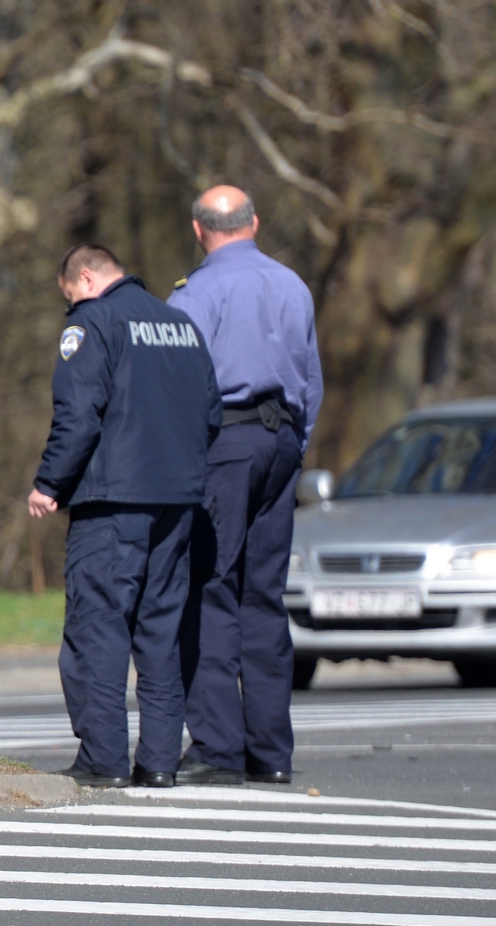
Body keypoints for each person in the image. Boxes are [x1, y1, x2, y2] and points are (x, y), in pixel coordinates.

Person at [29, 244, 222, 788]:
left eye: (69, 296)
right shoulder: (179, 324)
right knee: (160, 631)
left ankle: (104, 758)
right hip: (178, 501)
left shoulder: (93, 323)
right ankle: (160, 760)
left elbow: (78, 414)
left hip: (111, 502)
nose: (71, 305)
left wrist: (50, 483)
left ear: (85, 278)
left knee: (99, 628)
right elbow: (211, 414)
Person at [169, 185, 323, 785]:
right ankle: (270, 751)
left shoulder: (195, 294)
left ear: (198, 230)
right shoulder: (293, 285)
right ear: (254, 223)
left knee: (210, 589)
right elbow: (310, 378)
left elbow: (179, 386)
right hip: (281, 440)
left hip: (225, 444)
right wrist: (295, 445)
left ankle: (217, 746)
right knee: (265, 595)